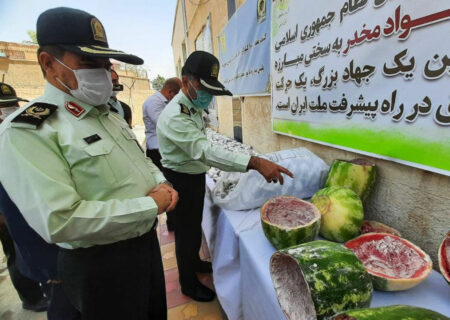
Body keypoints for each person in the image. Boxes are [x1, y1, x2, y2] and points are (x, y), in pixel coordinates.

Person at [0, 7, 178, 320]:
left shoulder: (107, 114)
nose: (103, 72)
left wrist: (159, 180)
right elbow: (61, 220)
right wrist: (150, 206)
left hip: (144, 248)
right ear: (48, 63)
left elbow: (139, 160)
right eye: (88, 63)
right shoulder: (29, 130)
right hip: (100, 265)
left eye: (105, 63)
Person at [156, 50, 294, 302]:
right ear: (185, 82)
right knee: (186, 234)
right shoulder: (176, 116)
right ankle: (188, 283)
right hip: (181, 179)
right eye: (204, 88)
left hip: (194, 175)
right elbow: (204, 150)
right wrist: (252, 162)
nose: (208, 97)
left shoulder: (191, 107)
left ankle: (195, 263)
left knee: (193, 230)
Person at [0, 82, 79, 319]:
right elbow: (17, 216)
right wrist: (46, 266)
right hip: (46, 252)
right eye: (4, 107)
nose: (10, 110)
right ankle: (31, 297)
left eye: (12, 105)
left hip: (67, 248)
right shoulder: (10, 139)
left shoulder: (28, 135)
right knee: (64, 306)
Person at [143, 77, 181, 231]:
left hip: (164, 150)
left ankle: (174, 220)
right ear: (170, 92)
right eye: (177, 95)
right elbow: (165, 125)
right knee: (166, 185)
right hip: (156, 151)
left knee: (171, 184)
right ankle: (172, 222)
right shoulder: (154, 103)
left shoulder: (164, 102)